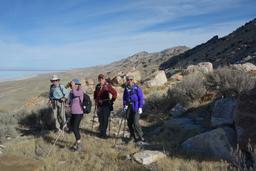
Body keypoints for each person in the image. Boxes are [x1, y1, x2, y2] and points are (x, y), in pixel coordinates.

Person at [93, 74, 117, 138]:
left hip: (106, 105)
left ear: (104, 79)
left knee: (105, 119)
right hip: (99, 105)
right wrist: (96, 100)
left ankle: (103, 134)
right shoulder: (97, 86)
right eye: (99, 79)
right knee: (100, 119)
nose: (101, 80)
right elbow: (95, 94)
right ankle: (101, 132)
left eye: (102, 78)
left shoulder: (107, 86)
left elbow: (114, 93)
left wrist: (111, 101)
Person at [123, 75, 145, 143]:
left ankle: (141, 136)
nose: (129, 81)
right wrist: (125, 105)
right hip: (129, 107)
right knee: (129, 123)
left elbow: (141, 98)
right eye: (128, 80)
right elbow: (124, 98)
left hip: (136, 107)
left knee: (135, 123)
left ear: (133, 80)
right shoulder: (126, 88)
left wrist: (140, 107)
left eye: (131, 79)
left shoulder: (137, 88)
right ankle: (133, 136)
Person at [68, 79, 84, 151]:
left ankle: (79, 145)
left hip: (79, 113)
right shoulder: (71, 91)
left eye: (74, 85)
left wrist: (73, 86)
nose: (72, 86)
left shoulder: (80, 91)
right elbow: (70, 101)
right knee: (73, 128)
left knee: (75, 128)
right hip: (73, 112)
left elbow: (75, 94)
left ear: (78, 85)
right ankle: (76, 142)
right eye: (71, 85)